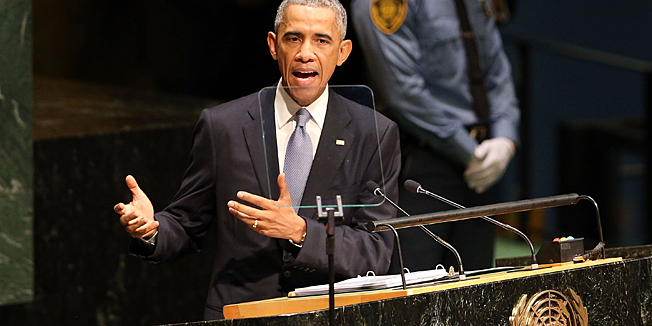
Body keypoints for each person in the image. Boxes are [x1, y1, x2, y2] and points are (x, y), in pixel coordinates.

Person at [113, 0, 400, 320]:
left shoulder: (372, 133)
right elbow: (186, 224)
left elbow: (376, 250)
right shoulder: (224, 126)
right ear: (273, 45)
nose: (305, 52)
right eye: (293, 38)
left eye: (321, 40)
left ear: (343, 52)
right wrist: (151, 230)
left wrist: (301, 231)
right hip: (242, 315)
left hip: (330, 316)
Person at [351, 0, 520, 271]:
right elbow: (403, 92)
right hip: (421, 167)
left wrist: (505, 138)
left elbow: (496, 68)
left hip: (484, 165)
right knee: (415, 295)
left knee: (477, 292)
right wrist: (470, 152)